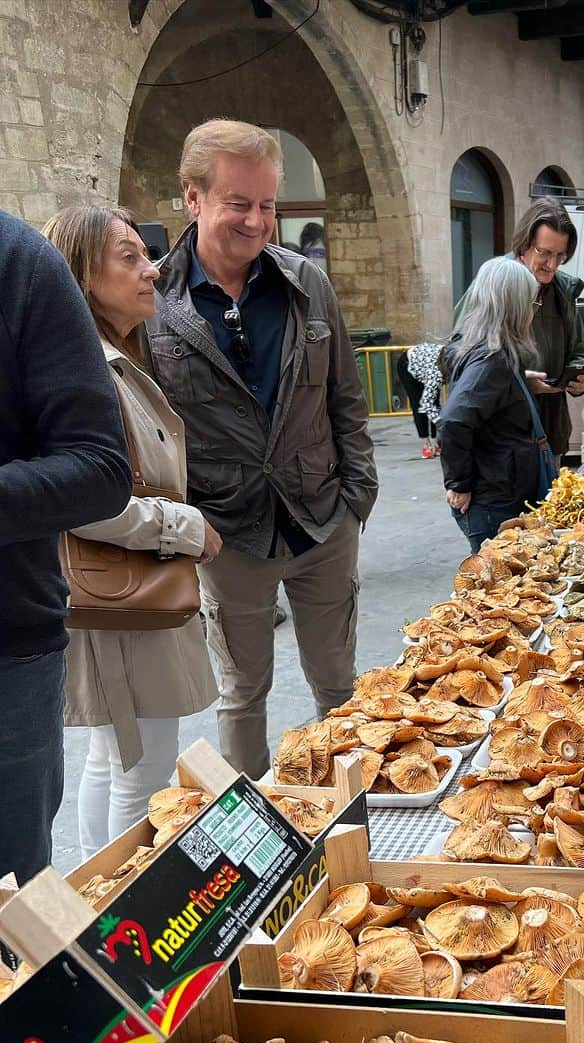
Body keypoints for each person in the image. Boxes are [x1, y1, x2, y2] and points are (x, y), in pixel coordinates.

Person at [145, 118, 378, 780]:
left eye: (268, 204)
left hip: (321, 521)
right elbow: (148, 431)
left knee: (339, 687)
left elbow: (346, 401)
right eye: (239, 203)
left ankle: (352, 819)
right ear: (193, 199)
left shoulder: (308, 284)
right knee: (243, 695)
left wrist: (356, 499)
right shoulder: (156, 304)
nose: (257, 221)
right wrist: (190, 522)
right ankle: (254, 843)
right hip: (229, 536)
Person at [43, 206, 220, 861]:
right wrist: (185, 527)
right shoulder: (89, 366)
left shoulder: (108, 357)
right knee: (141, 770)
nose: (150, 269)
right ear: (82, 277)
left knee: (116, 756)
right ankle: (121, 916)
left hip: (126, 594)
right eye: (127, 257)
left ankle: (102, 909)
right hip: (124, 600)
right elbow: (83, 498)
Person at [0, 210, 132, 885]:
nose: (151, 273)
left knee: (12, 917)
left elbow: (102, 468)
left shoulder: (18, 262)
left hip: (8, 655)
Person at [455, 198, 584, 461]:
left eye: (560, 256)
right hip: (501, 440)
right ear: (524, 245)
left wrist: (581, 377)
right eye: (544, 253)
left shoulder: (563, 290)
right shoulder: (494, 282)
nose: (552, 265)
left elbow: (578, 350)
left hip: (550, 433)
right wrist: (517, 382)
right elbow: (455, 356)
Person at [440, 257, 549, 553]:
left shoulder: (490, 352)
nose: (532, 312)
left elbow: (483, 399)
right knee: (496, 586)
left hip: (498, 493)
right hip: (493, 501)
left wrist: (520, 384)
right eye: (530, 304)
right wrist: (459, 484)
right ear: (513, 308)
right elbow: (453, 421)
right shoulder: (493, 360)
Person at [397, 343, 443, 458]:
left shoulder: (453, 363)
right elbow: (427, 404)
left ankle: (437, 442)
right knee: (419, 404)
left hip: (426, 363)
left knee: (436, 403)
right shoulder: (435, 374)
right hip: (407, 364)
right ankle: (426, 444)